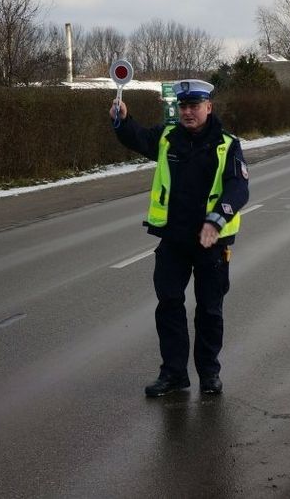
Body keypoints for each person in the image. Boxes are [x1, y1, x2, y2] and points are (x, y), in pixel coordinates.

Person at [111, 78, 249, 397]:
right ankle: (174, 374)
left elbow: (238, 188)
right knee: (169, 305)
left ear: (208, 108)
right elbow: (138, 138)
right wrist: (121, 120)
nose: (187, 112)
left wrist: (218, 218)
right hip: (174, 241)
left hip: (211, 243)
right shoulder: (167, 138)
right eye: (183, 106)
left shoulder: (227, 144)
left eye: (194, 106)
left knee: (209, 309)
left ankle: (209, 373)